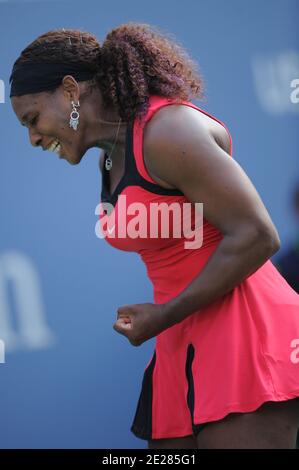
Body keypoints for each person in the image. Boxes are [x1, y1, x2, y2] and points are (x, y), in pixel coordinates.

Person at [9, 23, 299, 449]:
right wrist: (167, 320)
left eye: (32, 120)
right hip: (181, 337)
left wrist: (165, 315)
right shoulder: (112, 156)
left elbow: (257, 235)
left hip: (247, 334)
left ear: (70, 91)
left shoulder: (167, 132)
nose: (33, 137)